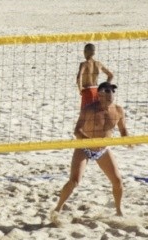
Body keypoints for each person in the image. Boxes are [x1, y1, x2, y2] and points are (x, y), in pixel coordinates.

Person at [54, 81, 127, 217]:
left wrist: (129, 141)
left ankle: (118, 211)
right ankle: (58, 208)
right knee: (74, 181)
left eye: (112, 91)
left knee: (117, 181)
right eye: (107, 92)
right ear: (99, 95)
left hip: (102, 150)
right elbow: (77, 131)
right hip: (84, 148)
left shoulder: (118, 110)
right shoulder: (89, 109)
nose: (111, 94)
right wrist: (90, 141)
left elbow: (123, 130)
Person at [76, 43, 113, 116]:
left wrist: (80, 89)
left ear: (85, 52)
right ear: (94, 53)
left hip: (87, 91)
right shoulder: (98, 64)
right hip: (97, 91)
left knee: (85, 116)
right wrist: (104, 88)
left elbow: (79, 77)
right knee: (96, 115)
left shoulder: (84, 64)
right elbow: (110, 75)